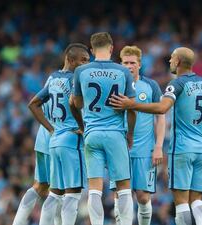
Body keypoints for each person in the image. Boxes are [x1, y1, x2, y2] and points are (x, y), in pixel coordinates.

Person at [109, 47, 202, 225]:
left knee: (181, 202)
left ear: (178, 62)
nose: (170, 61)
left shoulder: (176, 84)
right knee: (196, 199)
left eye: (172, 58)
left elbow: (162, 108)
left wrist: (131, 105)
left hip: (181, 149)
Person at [72, 32, 136, 225]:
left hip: (92, 134)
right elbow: (131, 108)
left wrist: (83, 125)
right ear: (111, 48)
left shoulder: (81, 72)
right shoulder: (122, 71)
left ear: (91, 51)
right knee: (124, 186)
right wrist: (130, 133)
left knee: (94, 188)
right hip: (116, 133)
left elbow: (76, 103)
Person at [28, 43, 90, 225]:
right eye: (83, 60)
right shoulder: (75, 80)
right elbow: (74, 103)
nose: (86, 64)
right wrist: (83, 126)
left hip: (54, 141)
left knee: (55, 193)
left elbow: (33, 104)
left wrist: (51, 128)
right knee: (73, 192)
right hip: (71, 139)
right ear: (71, 60)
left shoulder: (54, 79)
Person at [111, 46, 166, 225]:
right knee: (120, 195)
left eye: (132, 63)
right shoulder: (114, 86)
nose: (129, 66)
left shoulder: (151, 86)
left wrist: (158, 146)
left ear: (139, 65)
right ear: (120, 64)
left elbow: (161, 116)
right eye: (125, 62)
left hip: (145, 149)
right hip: (120, 148)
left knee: (142, 197)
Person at [12, 101, 52, 225]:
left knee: (39, 186)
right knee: (59, 191)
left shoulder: (50, 81)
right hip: (60, 138)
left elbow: (33, 104)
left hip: (42, 137)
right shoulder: (75, 82)